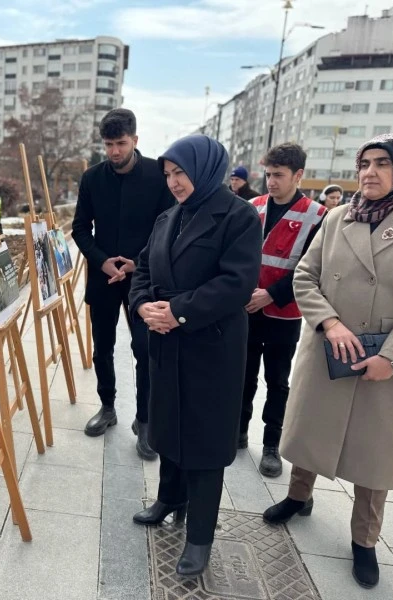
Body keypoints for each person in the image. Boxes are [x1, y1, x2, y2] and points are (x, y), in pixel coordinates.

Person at [264, 133, 393, 589]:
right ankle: (298, 495)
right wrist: (329, 323)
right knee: (311, 427)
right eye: (364, 162)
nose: (369, 171)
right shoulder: (338, 217)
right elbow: (306, 275)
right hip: (331, 346)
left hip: (384, 358)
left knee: (374, 452)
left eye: (383, 163)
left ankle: (364, 541)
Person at [129, 134, 262, 576]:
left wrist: (179, 313)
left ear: (205, 169)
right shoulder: (169, 216)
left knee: (204, 440)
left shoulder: (239, 216)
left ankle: (200, 536)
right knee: (167, 425)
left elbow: (236, 283)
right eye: (168, 174)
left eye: (180, 172)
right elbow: (144, 265)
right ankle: (170, 498)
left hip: (211, 345)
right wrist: (143, 303)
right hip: (166, 341)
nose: (174, 182)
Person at [71, 108, 175, 459]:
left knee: (145, 349)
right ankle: (107, 406)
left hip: (143, 280)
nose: (114, 151)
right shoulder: (92, 178)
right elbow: (80, 228)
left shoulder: (157, 176)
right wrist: (102, 260)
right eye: (108, 144)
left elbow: (167, 228)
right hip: (103, 276)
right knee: (102, 346)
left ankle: (144, 421)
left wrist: (136, 263)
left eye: (121, 143)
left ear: (135, 140)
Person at [239, 143, 327, 478]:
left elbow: (312, 268)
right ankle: (238, 431)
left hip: (285, 313)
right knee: (243, 374)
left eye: (278, 175)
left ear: (298, 175)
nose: (271, 181)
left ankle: (272, 446)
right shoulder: (253, 206)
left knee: (277, 381)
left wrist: (271, 294)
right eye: (268, 174)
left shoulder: (317, 216)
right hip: (247, 309)